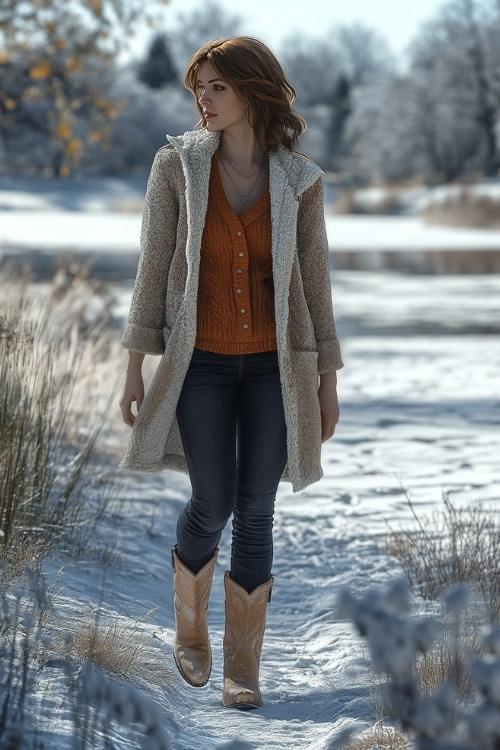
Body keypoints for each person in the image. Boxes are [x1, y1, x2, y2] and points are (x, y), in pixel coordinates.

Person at [119, 36, 343, 710]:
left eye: (217, 86)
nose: (203, 100)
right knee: (211, 501)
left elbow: (318, 284)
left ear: (253, 89)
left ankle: (243, 667)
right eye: (200, 88)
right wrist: (134, 368)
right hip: (203, 366)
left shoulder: (299, 179)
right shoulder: (176, 167)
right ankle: (190, 621)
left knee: (257, 509)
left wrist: (328, 380)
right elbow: (152, 268)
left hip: (278, 368)